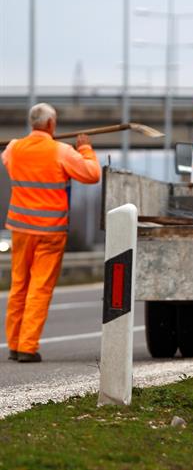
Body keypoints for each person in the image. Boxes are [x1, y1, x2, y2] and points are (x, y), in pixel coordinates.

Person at [3, 103, 101, 363]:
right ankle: (27, 346)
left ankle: (14, 344)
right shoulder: (61, 151)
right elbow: (92, 174)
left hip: (20, 229)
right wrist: (86, 149)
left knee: (18, 286)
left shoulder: (14, 148)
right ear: (50, 125)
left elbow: (8, 157)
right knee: (39, 288)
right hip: (49, 231)